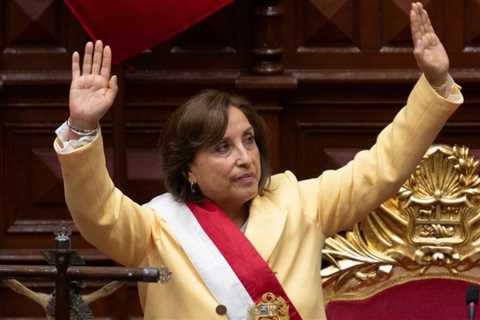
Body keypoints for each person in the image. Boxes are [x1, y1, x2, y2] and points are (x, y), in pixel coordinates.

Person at [54, 3, 463, 319]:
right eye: (222, 148)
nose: (245, 158)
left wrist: (434, 84)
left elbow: (381, 167)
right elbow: (98, 212)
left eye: (248, 141)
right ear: (188, 169)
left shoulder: (301, 203)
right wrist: (82, 126)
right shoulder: (156, 227)